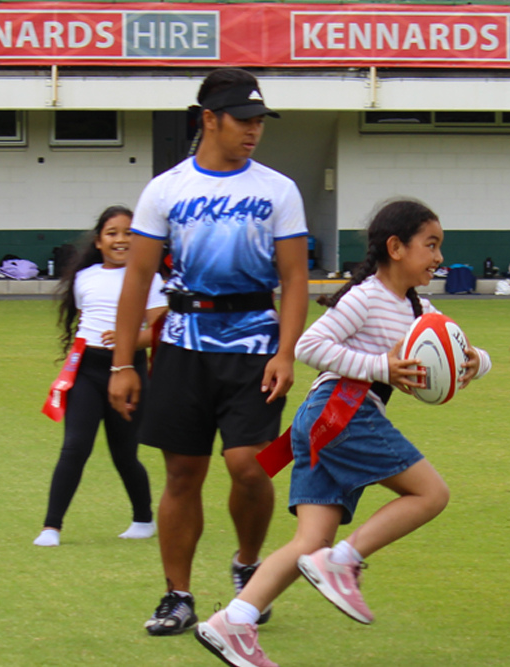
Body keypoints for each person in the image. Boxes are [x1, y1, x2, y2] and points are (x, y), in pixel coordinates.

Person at [194, 199, 491, 667]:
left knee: (309, 542)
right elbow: (310, 344)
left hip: (324, 424)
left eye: (440, 247)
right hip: (342, 414)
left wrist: (477, 360)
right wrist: (381, 367)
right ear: (395, 247)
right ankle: (345, 561)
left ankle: (233, 621)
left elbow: (455, 350)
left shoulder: (419, 307)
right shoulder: (367, 296)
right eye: (430, 245)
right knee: (431, 495)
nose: (438, 257)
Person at [108, 68, 309, 636]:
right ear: (209, 119)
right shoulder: (166, 189)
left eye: (258, 122)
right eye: (242, 121)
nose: (253, 131)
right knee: (182, 473)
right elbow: (138, 277)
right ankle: (178, 595)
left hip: (254, 347)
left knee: (249, 465)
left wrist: (286, 352)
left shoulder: (278, 189)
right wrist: (123, 363)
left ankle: (249, 567)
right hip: (182, 346)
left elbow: (295, 280)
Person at [34, 206, 166, 548]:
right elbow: (84, 318)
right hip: (87, 371)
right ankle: (51, 527)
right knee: (75, 446)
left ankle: (143, 519)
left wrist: (127, 339)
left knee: (124, 453)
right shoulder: (85, 277)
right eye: (112, 233)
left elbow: (159, 330)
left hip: (129, 371)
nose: (121, 239)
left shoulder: (149, 277)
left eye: (129, 232)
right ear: (98, 241)